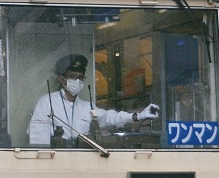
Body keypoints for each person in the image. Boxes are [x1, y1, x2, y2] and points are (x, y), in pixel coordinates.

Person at [28, 53, 159, 147]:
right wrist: (54, 136)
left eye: (80, 77)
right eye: (72, 77)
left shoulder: (87, 107)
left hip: (82, 158)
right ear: (62, 79)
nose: (77, 81)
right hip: (55, 158)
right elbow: (32, 131)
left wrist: (138, 116)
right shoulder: (47, 101)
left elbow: (110, 117)